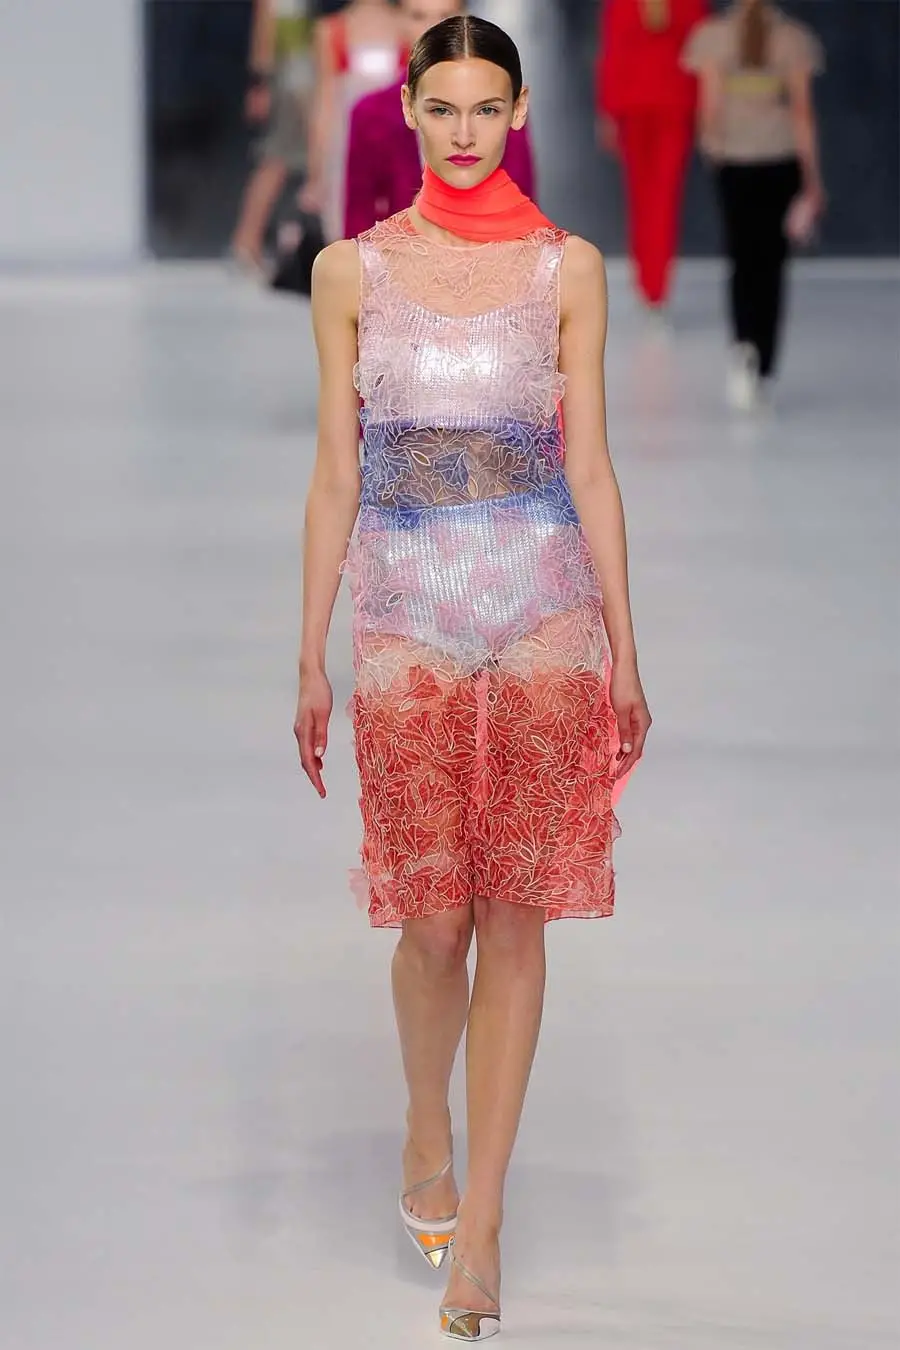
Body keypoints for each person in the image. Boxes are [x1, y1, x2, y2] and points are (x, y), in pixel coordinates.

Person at [294, 14, 651, 1339]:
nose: (461, 132)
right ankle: (422, 1119)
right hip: (404, 610)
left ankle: (483, 1220)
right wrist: (310, 647)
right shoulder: (351, 271)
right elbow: (335, 474)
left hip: (544, 602)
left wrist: (627, 642)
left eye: (485, 108)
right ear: (407, 113)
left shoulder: (569, 269)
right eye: (440, 108)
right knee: (432, 921)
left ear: (518, 114)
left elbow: (592, 464)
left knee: (514, 915)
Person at [683, 0, 825, 409]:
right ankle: (764, 360)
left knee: (741, 257)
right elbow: (802, 113)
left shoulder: (713, 38)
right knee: (772, 263)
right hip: (780, 160)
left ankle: (743, 344)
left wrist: (714, 150)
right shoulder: (794, 40)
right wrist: (813, 179)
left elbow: (709, 107)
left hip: (734, 162)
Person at [343, 0, 536, 239]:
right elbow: (358, 220)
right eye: (418, 16)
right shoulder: (370, 113)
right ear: (398, 21)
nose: (432, 29)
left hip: (493, 251)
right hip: (401, 255)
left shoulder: (500, 104)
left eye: (445, 15)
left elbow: (521, 202)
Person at [595, 0, 707, 317]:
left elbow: (611, 55)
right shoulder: (690, 4)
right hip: (675, 102)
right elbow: (701, 55)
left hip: (634, 105)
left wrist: (607, 111)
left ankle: (648, 283)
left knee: (640, 197)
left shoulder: (620, 5)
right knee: (665, 198)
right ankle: (656, 287)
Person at [300, 0, 409, 241]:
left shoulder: (408, 26)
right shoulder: (331, 30)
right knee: (346, 228)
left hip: (398, 147)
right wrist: (316, 171)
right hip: (346, 149)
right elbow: (325, 103)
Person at [231, 0, 314, 277]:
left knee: (281, 160)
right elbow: (264, 29)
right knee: (277, 159)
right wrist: (261, 81)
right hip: (290, 82)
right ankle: (246, 242)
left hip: (298, 78)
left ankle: (248, 242)